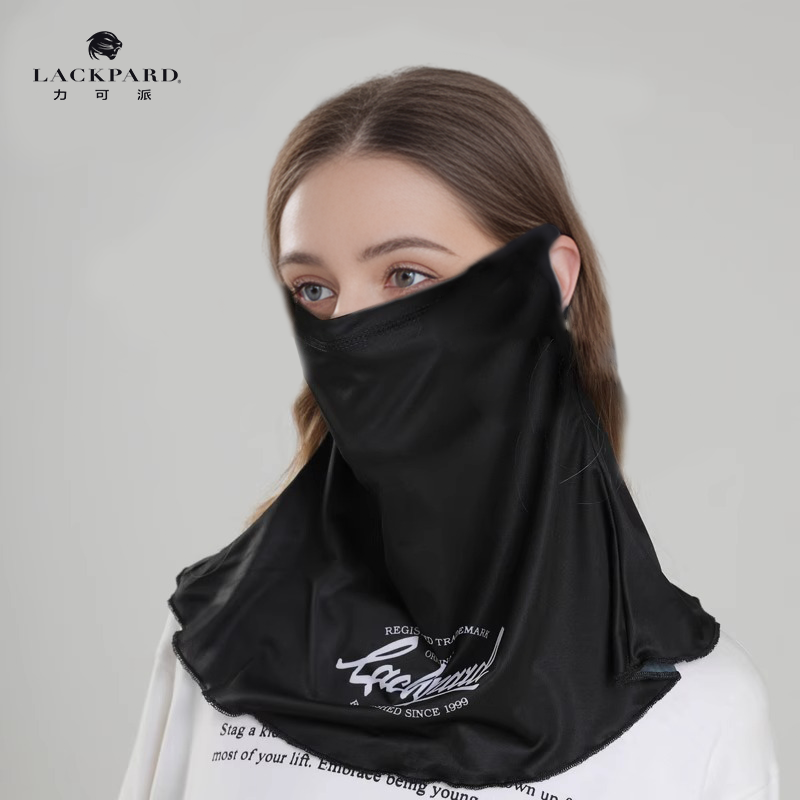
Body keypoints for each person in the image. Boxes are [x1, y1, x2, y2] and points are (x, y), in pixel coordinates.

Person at [117, 66, 780, 799]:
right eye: (314, 289)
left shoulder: (700, 708)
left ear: (546, 281)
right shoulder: (220, 642)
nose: (348, 327)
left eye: (406, 275)